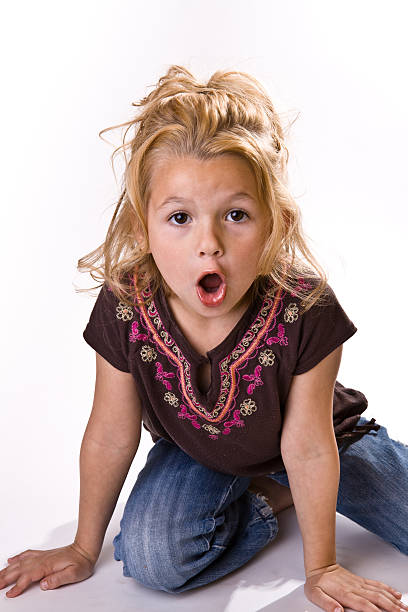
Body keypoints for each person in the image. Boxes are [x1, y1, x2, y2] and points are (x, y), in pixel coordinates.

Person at [1, 65, 407, 612]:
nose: (208, 244)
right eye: (180, 218)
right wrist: (81, 547)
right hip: (201, 450)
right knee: (151, 557)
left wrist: (322, 568)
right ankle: (271, 497)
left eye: (236, 215)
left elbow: (309, 445)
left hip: (320, 442)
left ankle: (292, 487)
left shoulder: (307, 308)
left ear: (274, 223)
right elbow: (109, 434)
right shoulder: (127, 306)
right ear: (142, 226)